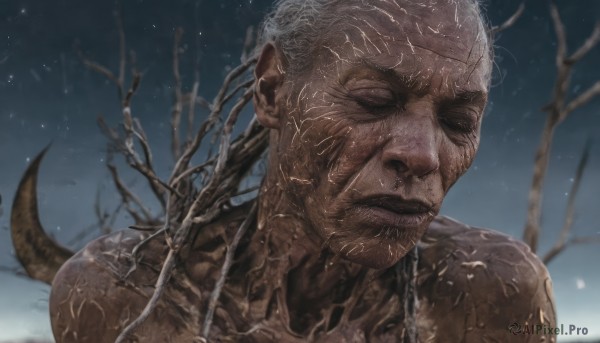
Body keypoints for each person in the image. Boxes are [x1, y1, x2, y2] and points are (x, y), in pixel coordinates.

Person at [19, 0, 557, 342]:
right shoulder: (123, 299)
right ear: (274, 91)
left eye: (459, 120)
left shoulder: (492, 299)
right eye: (373, 100)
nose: (423, 155)